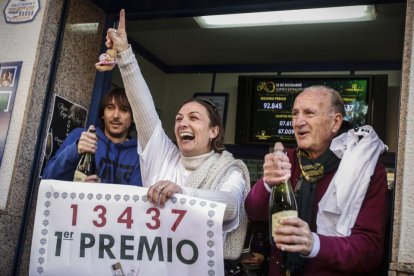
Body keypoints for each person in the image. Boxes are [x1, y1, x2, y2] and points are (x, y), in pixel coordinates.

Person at [105, 9, 251, 263]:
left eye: (194, 118)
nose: (183, 122)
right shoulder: (163, 155)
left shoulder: (230, 170)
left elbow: (229, 206)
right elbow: (143, 108)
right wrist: (125, 55)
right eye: (179, 118)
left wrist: (180, 192)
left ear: (214, 131)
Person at [245, 85, 389, 275]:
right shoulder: (286, 160)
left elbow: (370, 251)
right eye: (295, 114)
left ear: (335, 123)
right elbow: (254, 212)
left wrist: (314, 244)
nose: (298, 122)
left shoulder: (365, 170)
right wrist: (266, 183)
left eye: (309, 113)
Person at [42, 88, 142, 186]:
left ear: (133, 118)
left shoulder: (139, 155)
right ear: (103, 114)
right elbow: (48, 178)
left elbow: (136, 198)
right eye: (110, 108)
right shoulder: (81, 136)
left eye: (124, 110)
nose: (116, 115)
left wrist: (99, 190)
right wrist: (74, 150)